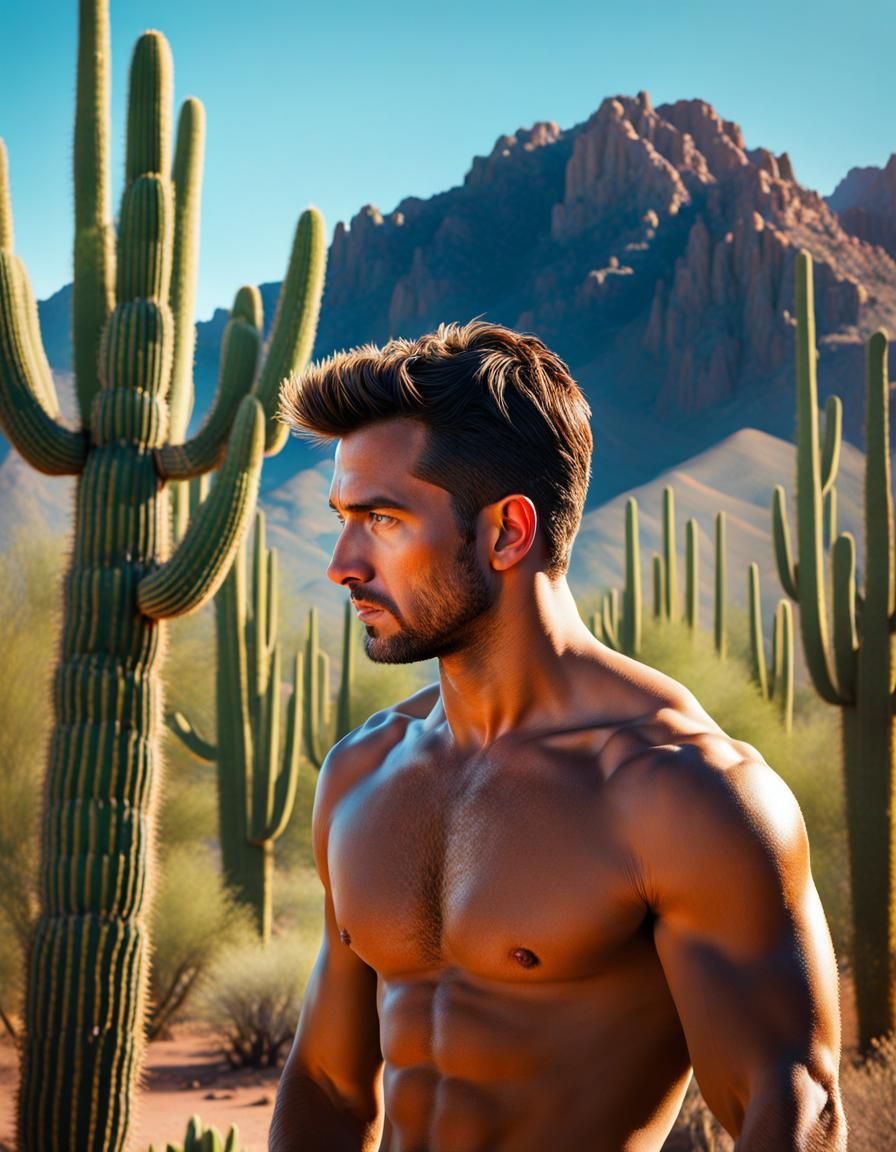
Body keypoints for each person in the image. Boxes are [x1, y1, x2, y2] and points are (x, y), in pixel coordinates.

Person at [269, 320, 844, 1152]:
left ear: (507, 531)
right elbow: (326, 1086)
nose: (342, 562)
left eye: (382, 520)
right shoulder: (362, 770)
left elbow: (794, 1107)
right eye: (342, 518)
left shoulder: (678, 791)